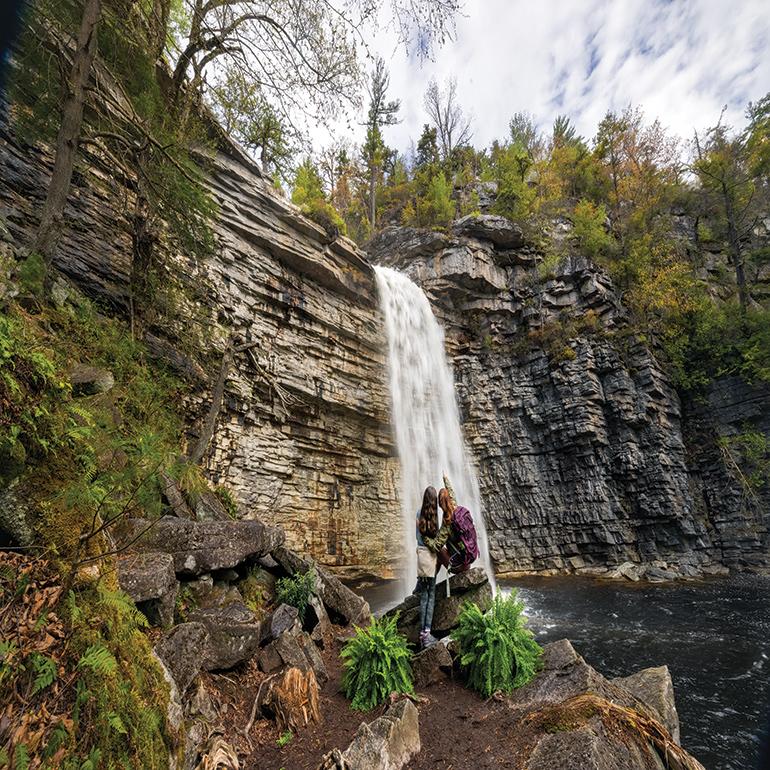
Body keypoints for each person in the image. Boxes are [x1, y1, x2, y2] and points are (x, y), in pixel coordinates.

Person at [415, 486, 440, 649]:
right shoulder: (436, 518)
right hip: (431, 558)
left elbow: (418, 537)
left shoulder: (418, 514)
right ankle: (427, 634)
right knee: (431, 595)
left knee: (424, 596)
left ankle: (422, 634)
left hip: (421, 556)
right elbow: (436, 542)